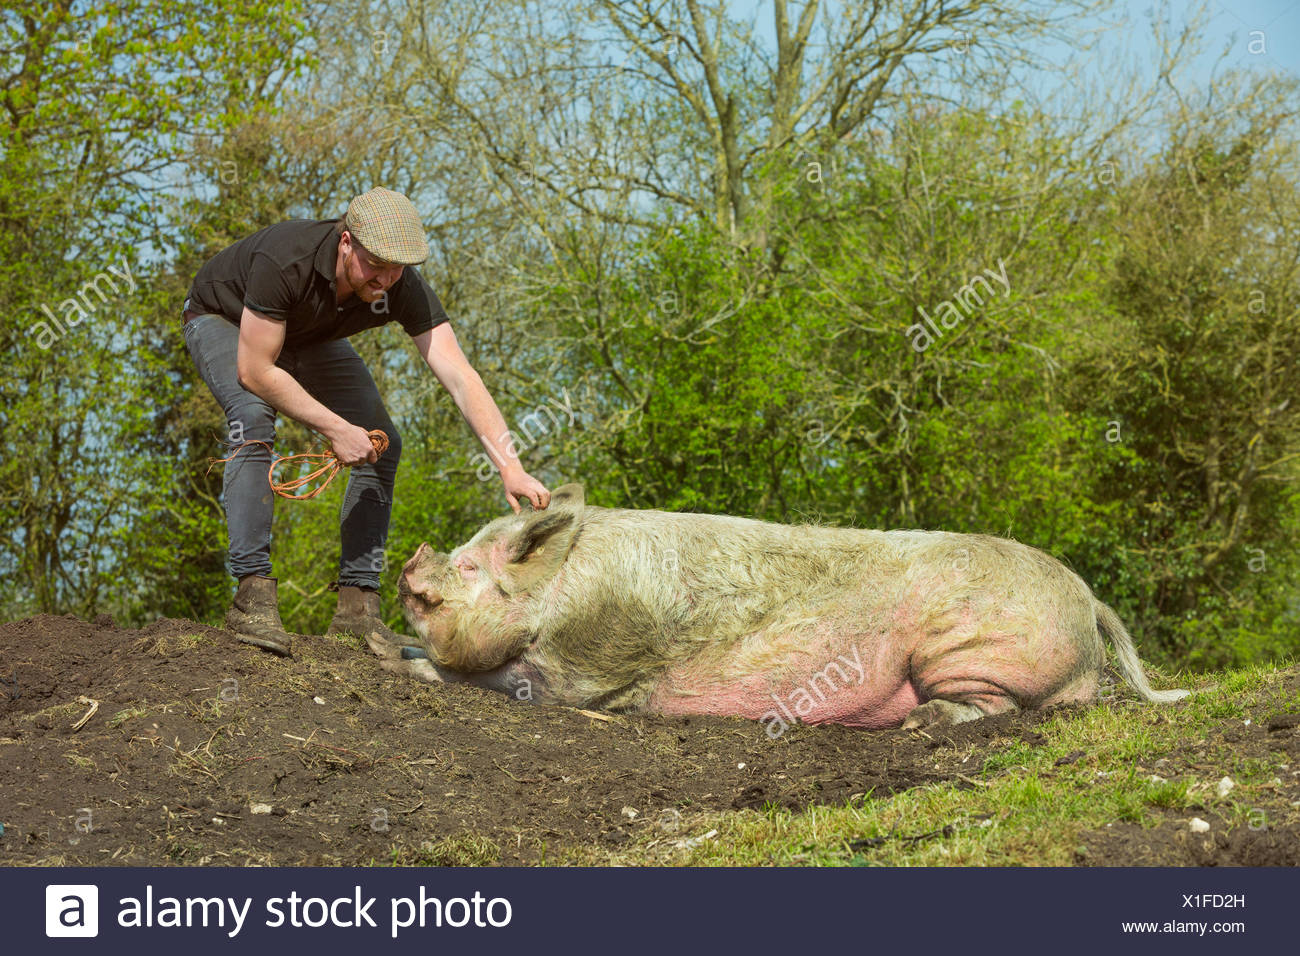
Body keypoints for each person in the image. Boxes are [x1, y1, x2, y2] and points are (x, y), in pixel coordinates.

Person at [182, 186, 550, 656]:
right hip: (224, 319)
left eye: (399, 268)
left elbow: (459, 374)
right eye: (376, 264)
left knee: (383, 443)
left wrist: (508, 465)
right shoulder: (285, 262)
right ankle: (251, 597)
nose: (387, 278)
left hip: (307, 334)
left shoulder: (398, 284)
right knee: (253, 419)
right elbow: (255, 370)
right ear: (346, 242)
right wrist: (335, 428)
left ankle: (358, 610)